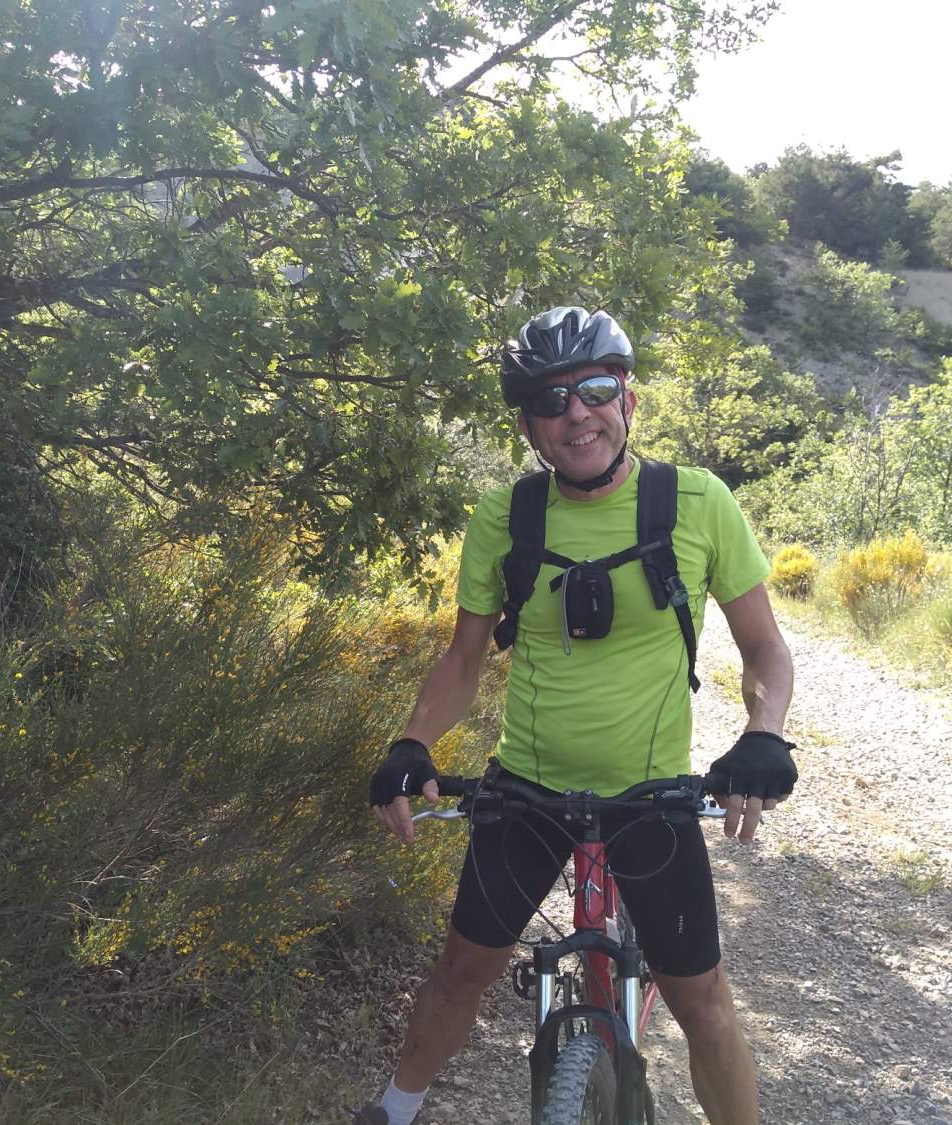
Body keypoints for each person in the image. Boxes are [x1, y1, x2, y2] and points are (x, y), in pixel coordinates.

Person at [357, 307, 796, 1125]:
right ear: (528, 425)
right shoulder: (505, 518)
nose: (577, 414)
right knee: (459, 971)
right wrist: (412, 740)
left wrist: (763, 731)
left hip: (651, 796)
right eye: (550, 401)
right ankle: (394, 1109)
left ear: (628, 397)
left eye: (595, 389)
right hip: (526, 792)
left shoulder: (697, 502)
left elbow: (765, 649)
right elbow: (462, 661)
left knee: (703, 1002)